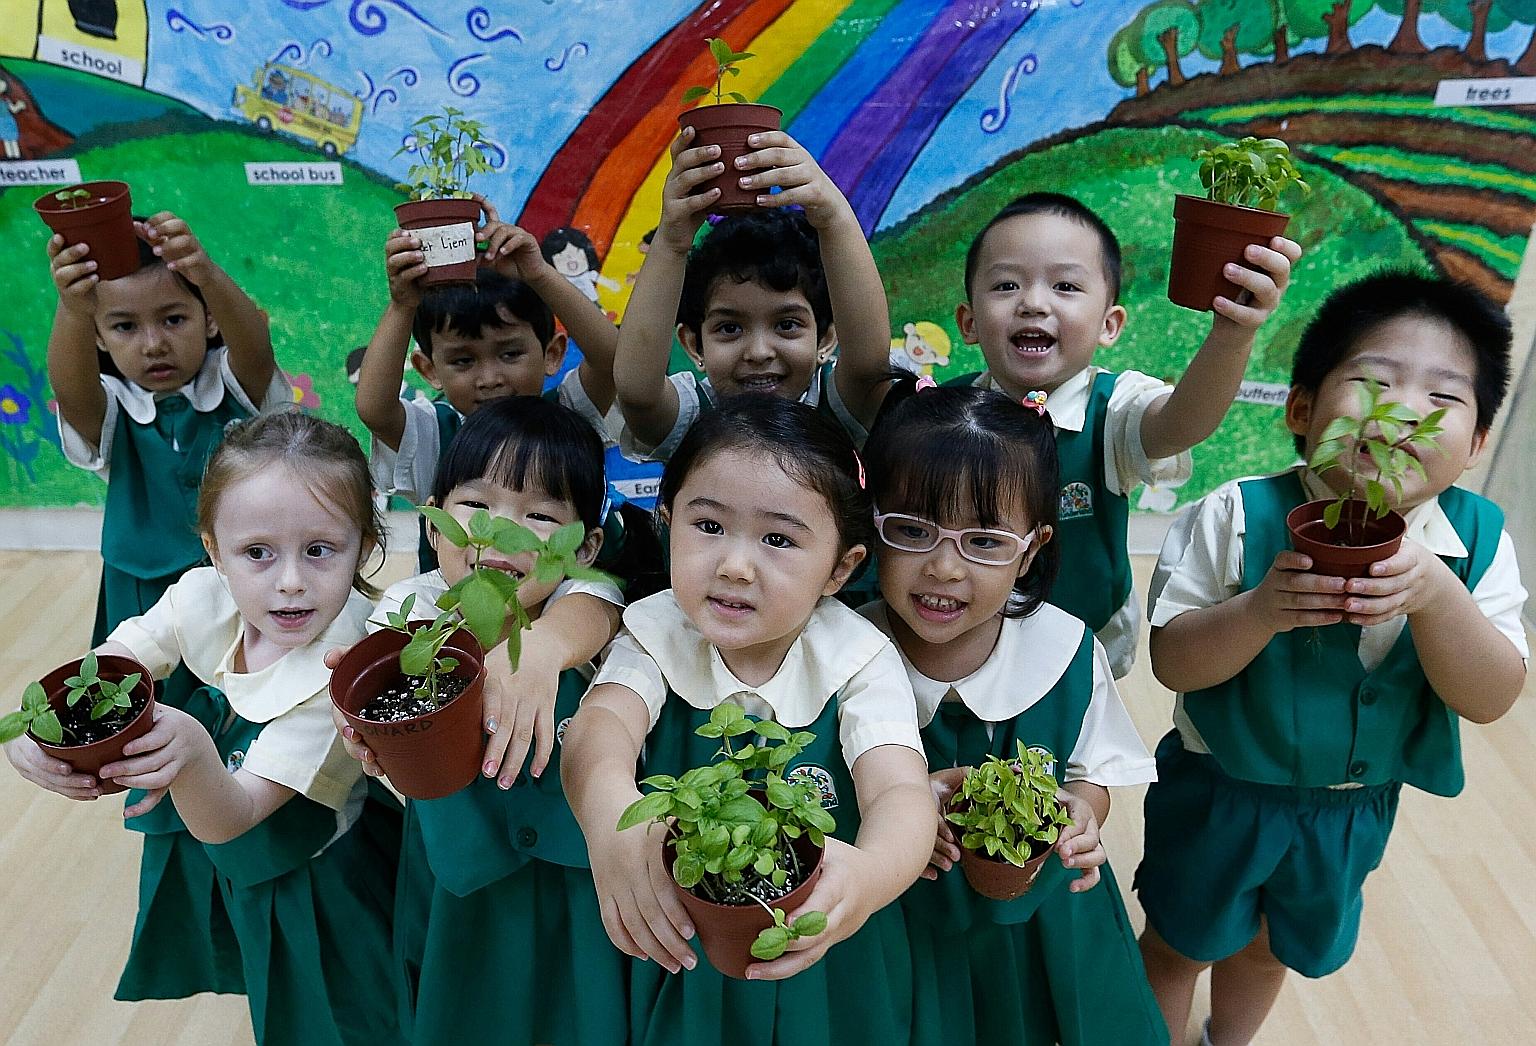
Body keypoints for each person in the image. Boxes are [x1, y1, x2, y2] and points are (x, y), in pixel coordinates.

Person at [1135, 270, 1528, 1046]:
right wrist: (1259, 612)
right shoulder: (1239, 514)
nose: (1405, 410)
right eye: (1375, 382)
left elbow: (1490, 696)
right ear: (1302, 408)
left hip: (1351, 808)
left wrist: (1437, 597)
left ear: (1478, 444)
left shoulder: (1477, 542)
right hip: (1224, 790)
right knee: (1178, 944)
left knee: (1273, 948)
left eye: (1444, 399)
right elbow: (1174, 662)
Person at [563, 396, 934, 1046]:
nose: (735, 564)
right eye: (708, 527)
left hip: (824, 940)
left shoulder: (856, 656)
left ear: (841, 567)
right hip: (686, 945)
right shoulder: (657, 632)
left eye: (779, 539)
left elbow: (900, 789)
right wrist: (610, 824)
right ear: (666, 520)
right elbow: (600, 732)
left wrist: (871, 875)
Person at [8, 208, 288, 1002]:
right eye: (124, 327)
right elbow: (69, 382)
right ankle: (204, 932)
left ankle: (259, 876)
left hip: (246, 608)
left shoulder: (237, 390)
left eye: (174, 317)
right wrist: (71, 307)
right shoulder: (106, 415)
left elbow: (255, 343)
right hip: (143, 607)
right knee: (159, 770)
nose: (154, 344)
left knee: (250, 753)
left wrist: (203, 268)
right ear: (100, 339)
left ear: (207, 317)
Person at [335, 396, 658, 1044]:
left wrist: (538, 647)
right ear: (434, 527)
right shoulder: (411, 611)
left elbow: (602, 599)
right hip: (463, 881)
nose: (500, 532)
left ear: (583, 546)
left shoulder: (584, 608)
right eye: (476, 506)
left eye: (540, 516)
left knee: (588, 1015)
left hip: (582, 882)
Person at [859, 378, 1166, 1046]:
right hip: (895, 926)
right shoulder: (844, 652)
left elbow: (1094, 768)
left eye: (987, 540)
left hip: (1041, 922)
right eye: (912, 531)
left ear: (1031, 549)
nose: (943, 567)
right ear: (872, 525)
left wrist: (1083, 813)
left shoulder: (1062, 648)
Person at [88, 411, 404, 1046]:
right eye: (257, 553)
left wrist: (191, 753)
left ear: (366, 546)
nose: (289, 582)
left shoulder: (344, 669)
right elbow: (106, 670)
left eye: (320, 550)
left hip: (322, 879)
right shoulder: (205, 594)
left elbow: (233, 815)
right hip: (253, 854)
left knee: (348, 1014)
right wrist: (40, 745)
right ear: (214, 549)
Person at [896, 193, 1299, 677]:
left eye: (1065, 285)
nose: (1033, 302)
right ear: (968, 323)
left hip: (1083, 654)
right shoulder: (944, 412)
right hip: (953, 643)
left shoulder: (1114, 409)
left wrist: (1233, 334)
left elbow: (1182, 422)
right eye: (1006, 285)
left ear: (1110, 325)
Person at [613, 127, 894, 463]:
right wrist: (672, 241)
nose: (759, 352)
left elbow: (869, 363)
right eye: (730, 328)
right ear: (693, 345)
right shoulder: (693, 417)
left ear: (826, 340)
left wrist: (833, 217)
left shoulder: (838, 407)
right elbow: (636, 392)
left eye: (787, 325)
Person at [358, 197, 619, 515]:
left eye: (510, 354)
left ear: (553, 354)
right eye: (463, 361)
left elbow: (611, 361)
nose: (490, 379)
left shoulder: (569, 413)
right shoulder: (437, 436)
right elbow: (374, 409)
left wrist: (538, 274)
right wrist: (402, 305)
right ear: (429, 370)